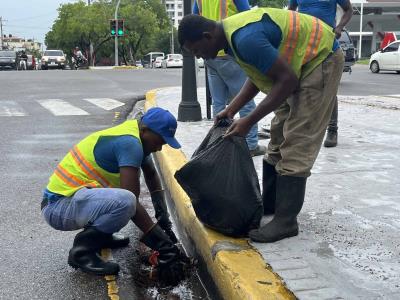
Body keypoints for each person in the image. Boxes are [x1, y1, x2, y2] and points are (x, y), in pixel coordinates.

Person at [178, 8, 344, 243]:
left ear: (207, 36)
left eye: (196, 51)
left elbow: (287, 80)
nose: (198, 57)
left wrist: (248, 121)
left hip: (321, 60)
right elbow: (258, 76)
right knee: (278, 134)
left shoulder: (245, 38)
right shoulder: (232, 38)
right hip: (299, 67)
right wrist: (232, 109)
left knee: (298, 138)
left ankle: (286, 221)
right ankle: (272, 203)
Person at [41, 107, 188, 283]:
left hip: (72, 203)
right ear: (145, 130)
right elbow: (131, 201)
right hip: (58, 207)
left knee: (123, 202)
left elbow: (151, 173)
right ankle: (82, 252)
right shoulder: (130, 143)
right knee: (126, 202)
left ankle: (102, 236)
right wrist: (163, 245)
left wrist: (161, 211)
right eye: (159, 141)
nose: (158, 148)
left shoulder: (136, 136)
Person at [193, 0, 267, 157]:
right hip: (228, 51)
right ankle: (251, 144)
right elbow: (248, 17)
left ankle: (220, 144)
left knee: (218, 104)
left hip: (210, 55)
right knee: (245, 100)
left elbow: (194, 20)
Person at [289, 0, 353, 147]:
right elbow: (291, 9)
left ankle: (332, 129)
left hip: (327, 43)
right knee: (300, 85)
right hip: (303, 42)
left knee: (329, 88)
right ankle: (302, 126)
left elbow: (349, 10)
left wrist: (339, 28)